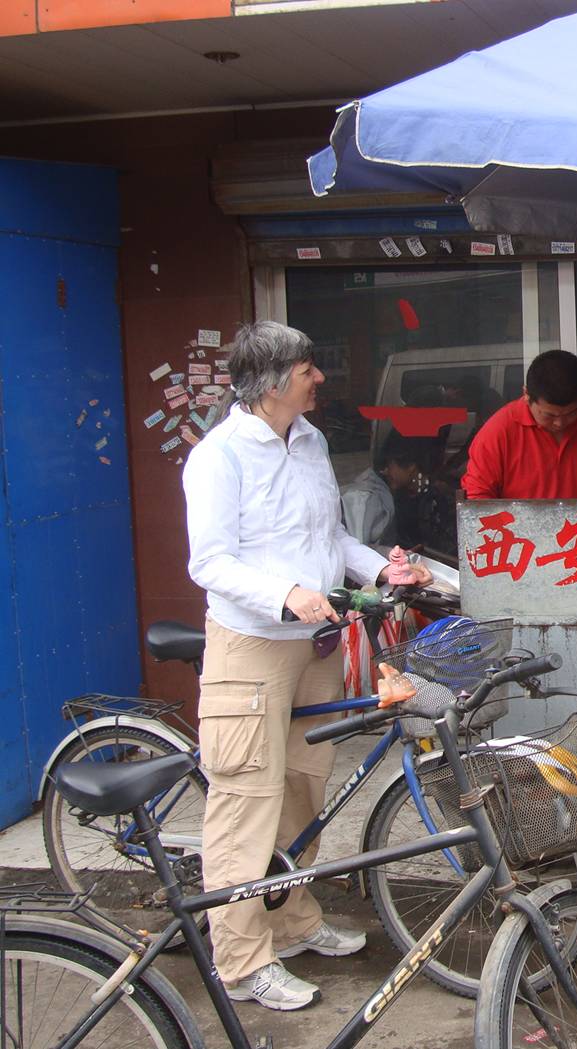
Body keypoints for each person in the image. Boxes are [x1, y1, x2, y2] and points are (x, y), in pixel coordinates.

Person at [183, 321, 432, 1012]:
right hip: (253, 643)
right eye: (306, 367)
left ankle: (292, 921)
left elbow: (330, 537)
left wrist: (382, 564)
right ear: (269, 381)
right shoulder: (219, 456)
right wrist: (284, 593)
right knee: (246, 802)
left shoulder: (312, 440)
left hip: (315, 644)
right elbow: (209, 560)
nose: (317, 377)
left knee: (302, 790)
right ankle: (239, 959)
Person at [462, 349, 577, 499]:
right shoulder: (499, 431)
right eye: (549, 415)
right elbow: (478, 496)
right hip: (519, 534)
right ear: (527, 395)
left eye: (572, 413)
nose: (560, 423)